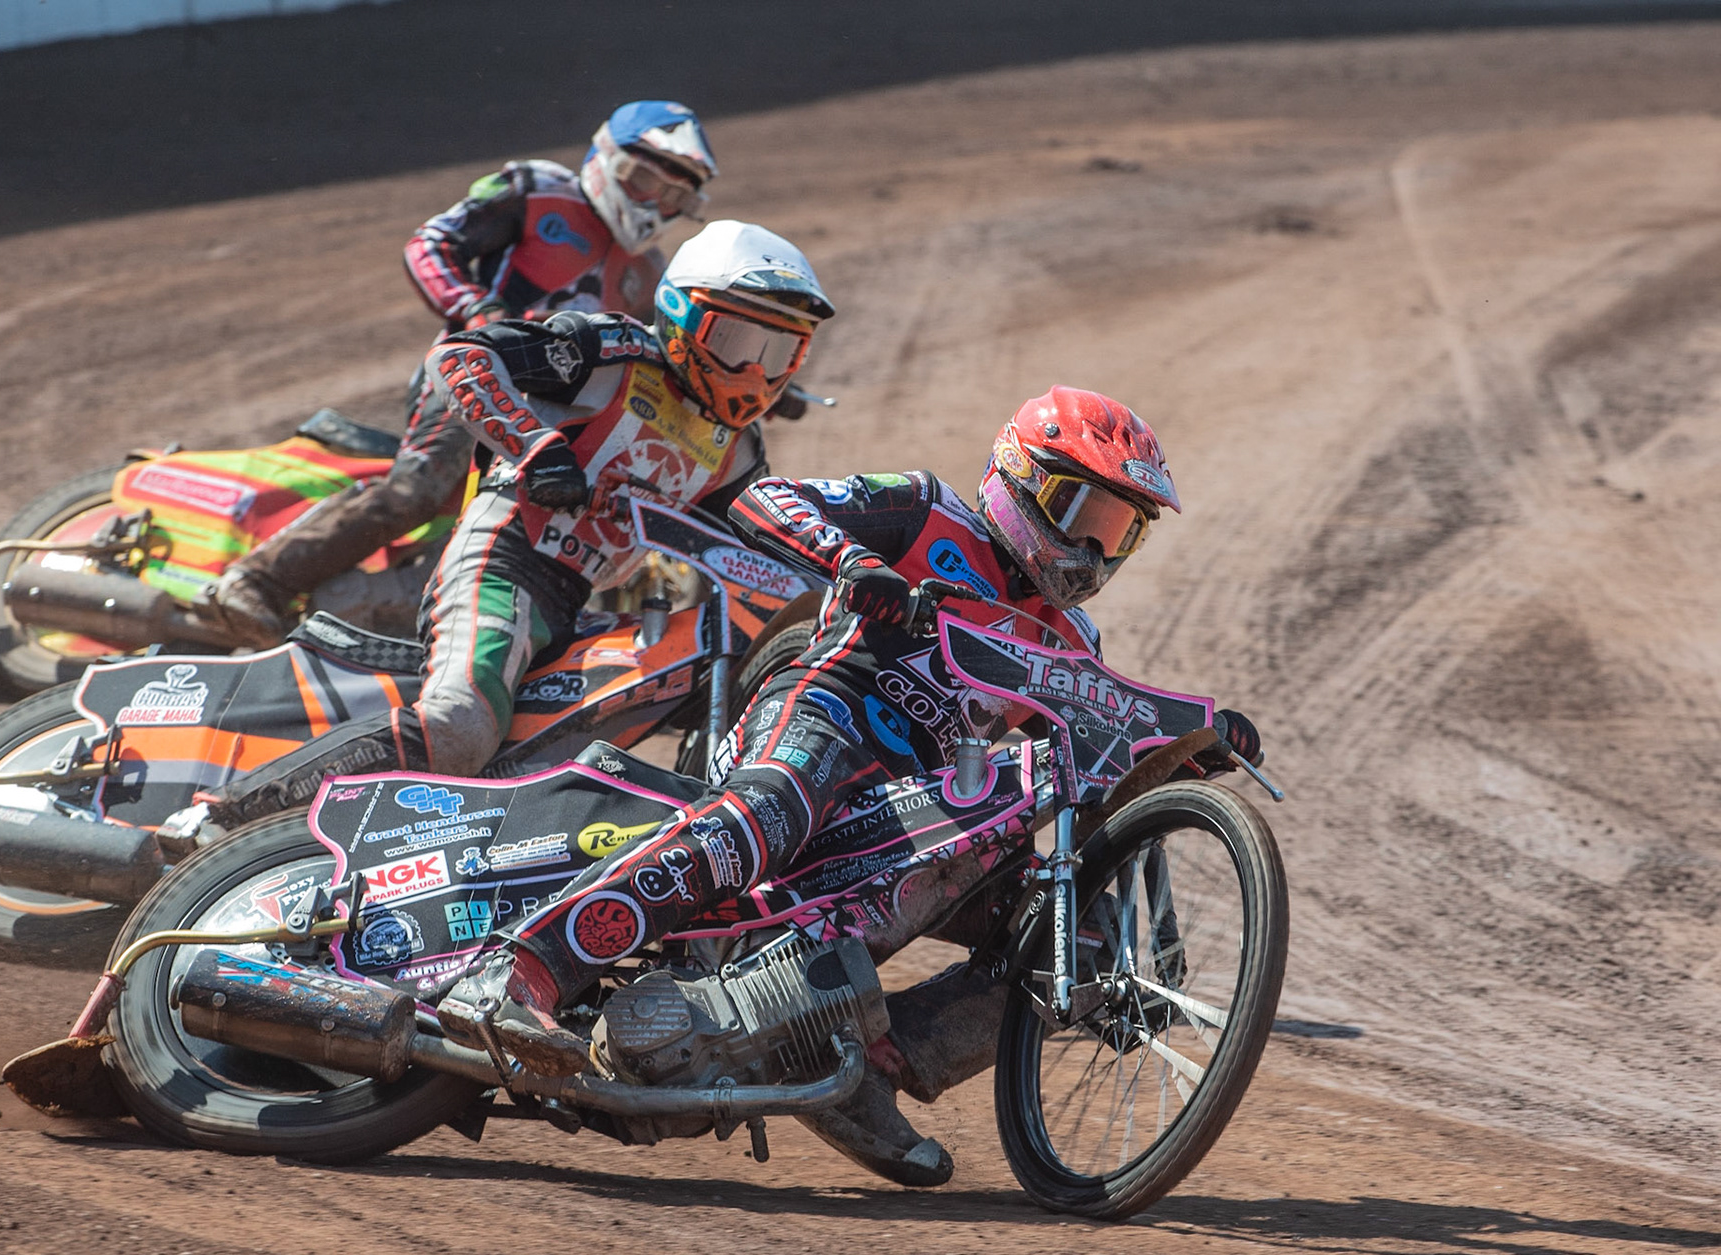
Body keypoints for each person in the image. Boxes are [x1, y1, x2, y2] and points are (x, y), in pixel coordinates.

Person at [433, 386, 1264, 1187]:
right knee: (768, 814)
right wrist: (854, 562)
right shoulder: (928, 510)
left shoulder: (1071, 635)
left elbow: (1086, 758)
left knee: (1073, 937)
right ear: (1020, 480)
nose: (1092, 552)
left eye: (1120, 534)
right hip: (824, 715)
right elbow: (766, 501)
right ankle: (520, 974)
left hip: (917, 812)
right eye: (1083, 516)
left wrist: (1182, 752)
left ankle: (860, 1063)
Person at [193, 220, 833, 825]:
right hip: (507, 559)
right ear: (683, 315)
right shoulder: (612, 352)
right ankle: (223, 817)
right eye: (738, 341)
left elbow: (764, 541)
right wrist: (536, 447)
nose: (755, 370)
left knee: (555, 761)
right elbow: (462, 359)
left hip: (579, 604)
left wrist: (857, 569)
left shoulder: (738, 450)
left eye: (780, 351)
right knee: (459, 725)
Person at [197, 101, 718, 648]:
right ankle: (256, 580)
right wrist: (476, 307)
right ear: (606, 158)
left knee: (532, 541)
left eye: (675, 195)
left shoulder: (652, 273)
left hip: (554, 420)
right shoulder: (538, 189)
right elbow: (432, 243)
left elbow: (660, 356)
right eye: (642, 180)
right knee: (419, 489)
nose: (654, 202)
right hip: (476, 375)